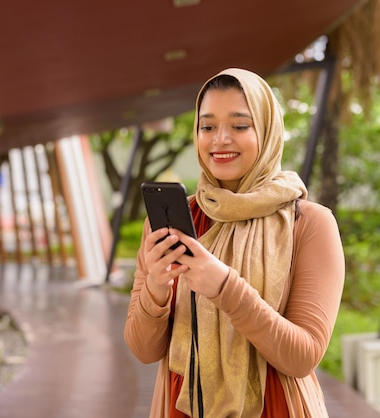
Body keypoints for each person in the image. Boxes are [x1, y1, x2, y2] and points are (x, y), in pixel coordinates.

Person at [124, 68, 345, 418]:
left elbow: (303, 356)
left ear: (268, 131)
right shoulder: (173, 222)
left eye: (240, 126)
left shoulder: (309, 223)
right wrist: (155, 284)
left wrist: (225, 287)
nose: (219, 139)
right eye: (207, 126)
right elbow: (144, 350)